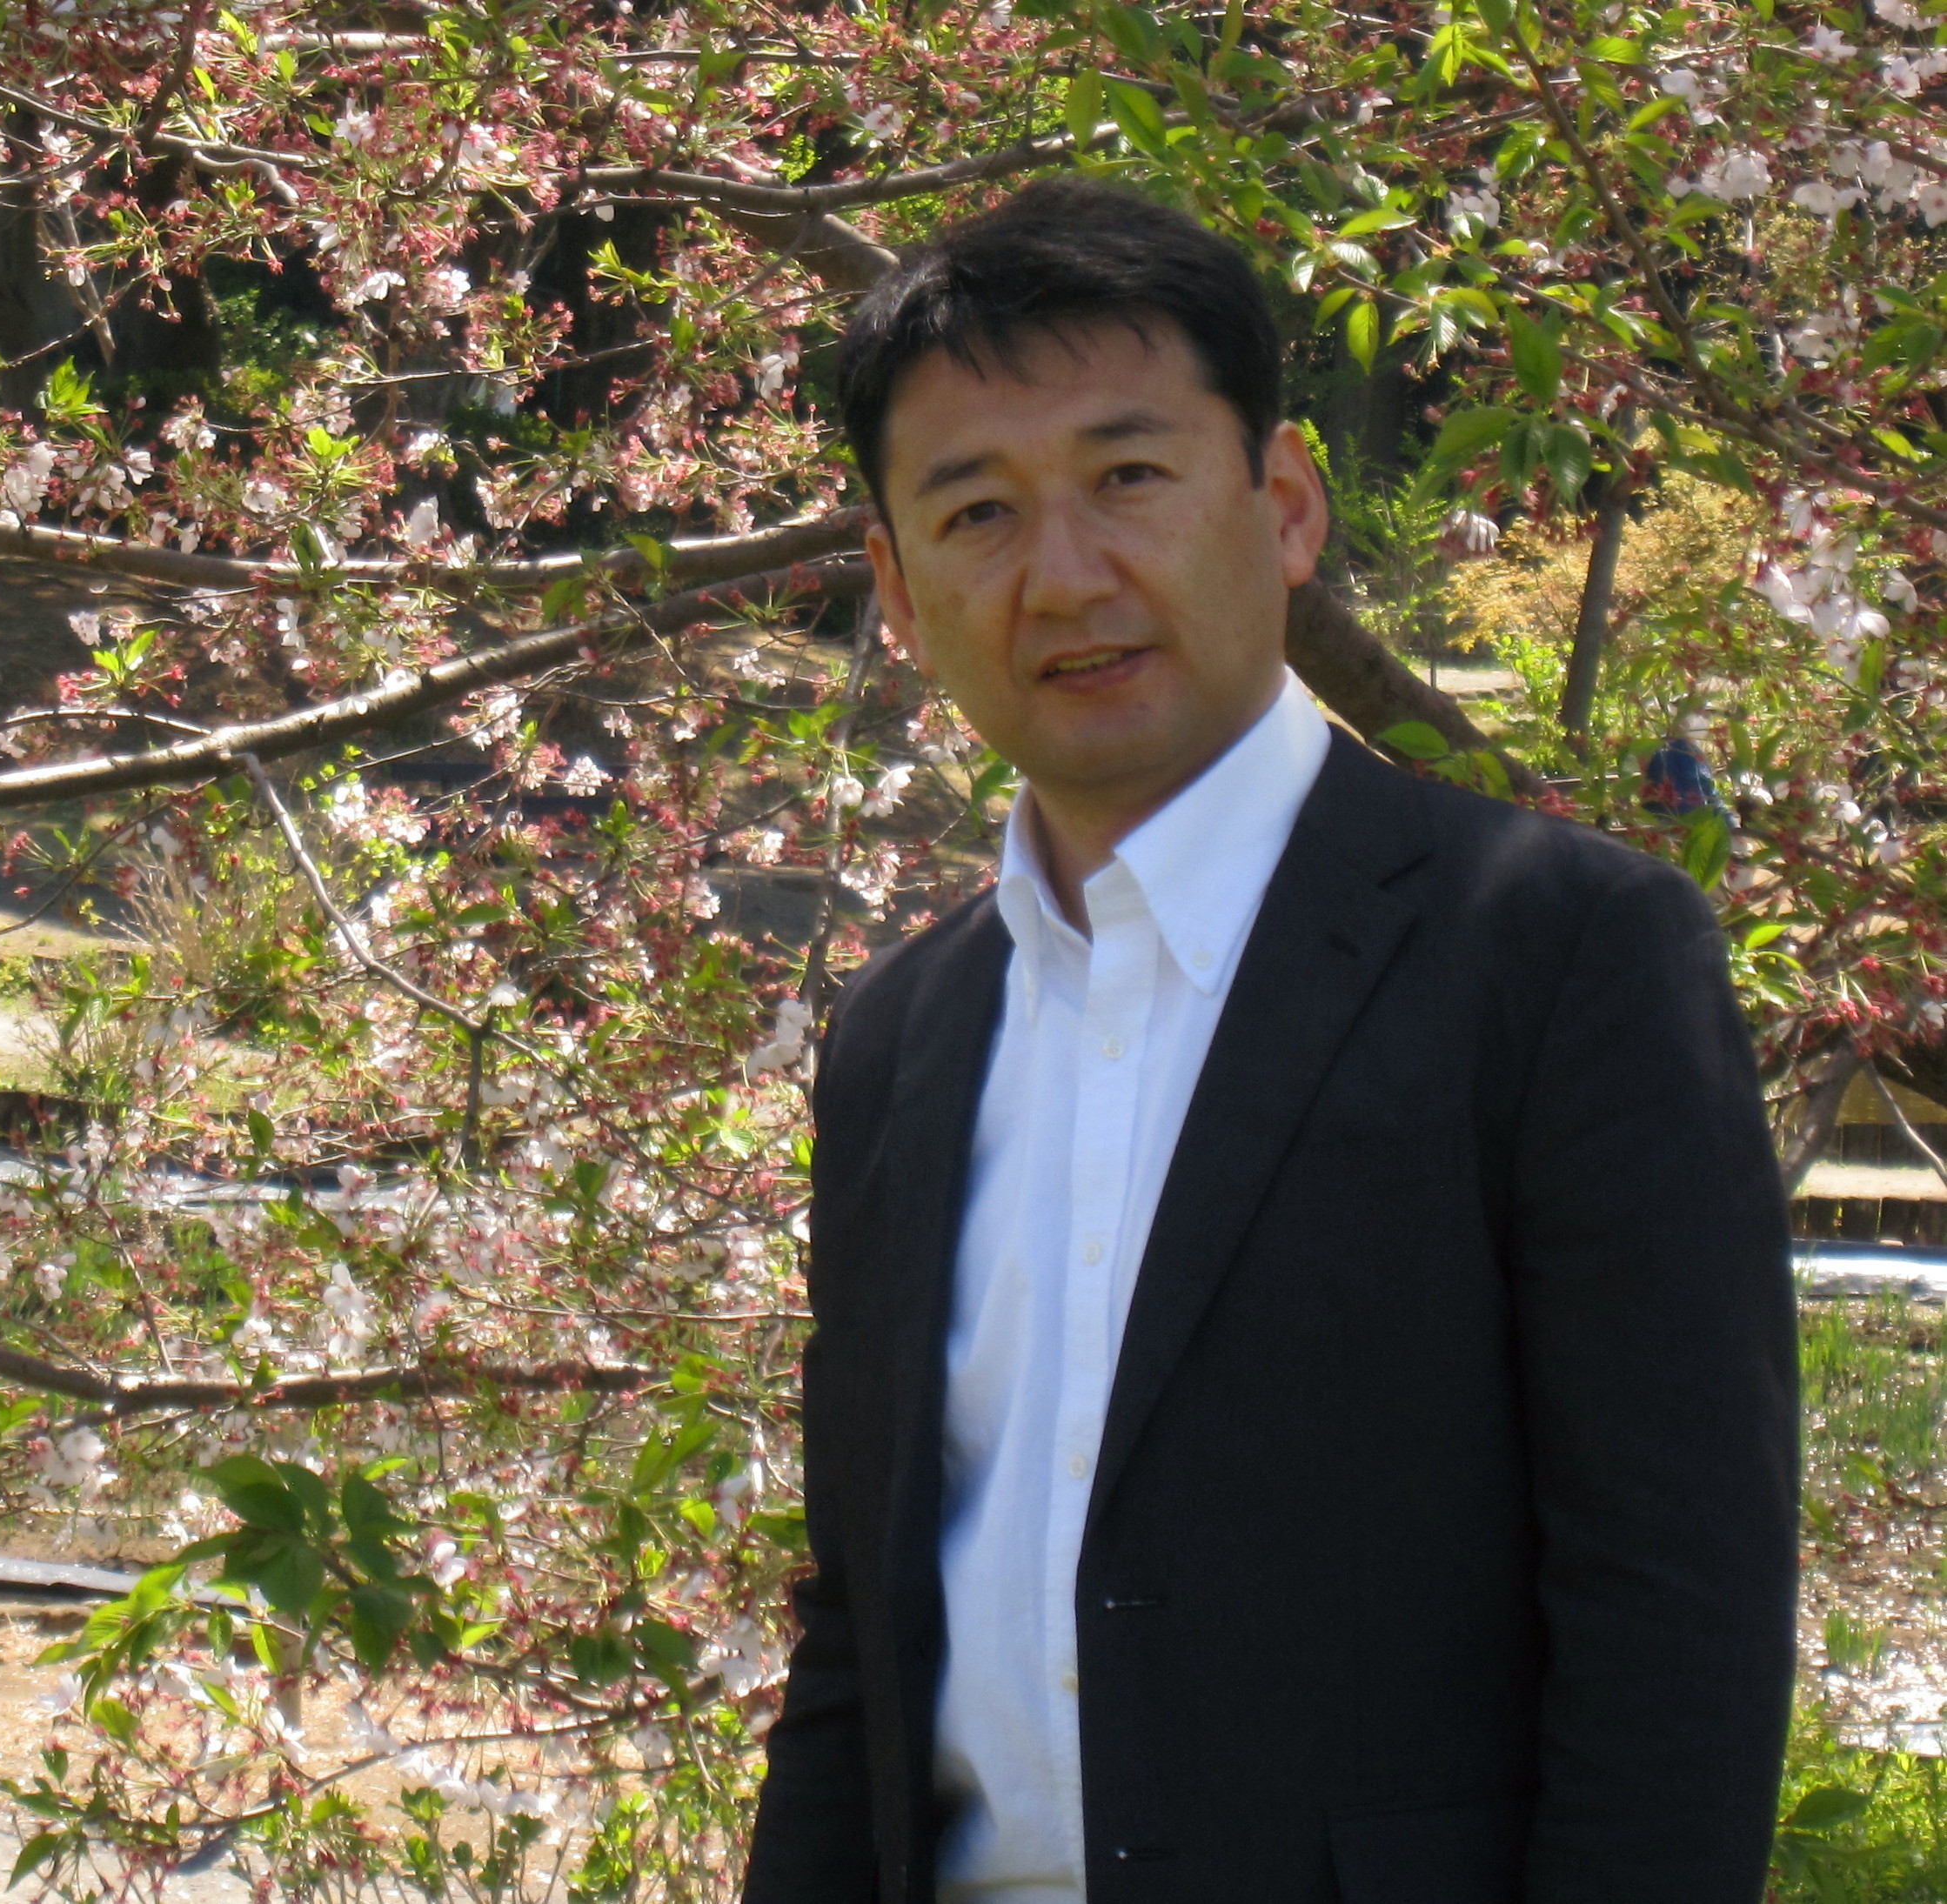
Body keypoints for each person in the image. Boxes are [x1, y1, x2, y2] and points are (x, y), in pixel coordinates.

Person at [741, 178, 1796, 1904]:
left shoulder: (1557, 955)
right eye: (977, 512)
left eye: (1129, 478)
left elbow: (1675, 1622)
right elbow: (859, 1628)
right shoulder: (897, 1037)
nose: (1063, 575)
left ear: (1286, 504)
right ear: (899, 590)